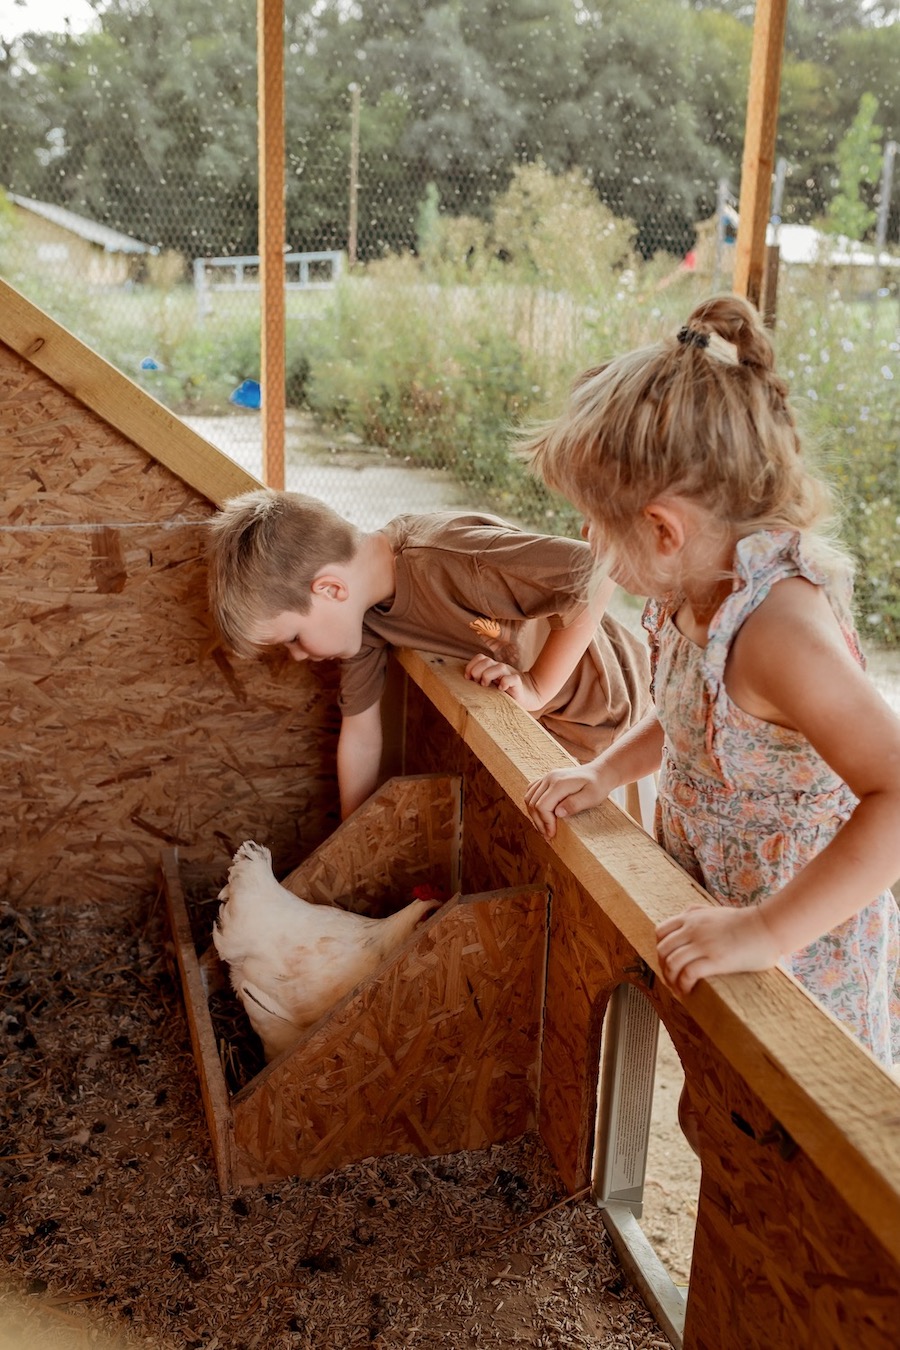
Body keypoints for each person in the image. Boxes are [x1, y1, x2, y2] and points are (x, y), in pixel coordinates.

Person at [523, 294, 900, 1070]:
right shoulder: (694, 593)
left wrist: (766, 931)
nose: (587, 541)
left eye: (594, 523)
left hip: (803, 957)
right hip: (722, 920)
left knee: (793, 1154)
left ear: (664, 529)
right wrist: (605, 771)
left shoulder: (777, 632)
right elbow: (692, 715)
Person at [206, 491, 651, 821]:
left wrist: (536, 685)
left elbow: (593, 570)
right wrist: (353, 837)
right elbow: (360, 734)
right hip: (556, 727)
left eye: (295, 638)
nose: (299, 656)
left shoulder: (450, 555)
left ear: (329, 589)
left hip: (616, 703)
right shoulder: (365, 620)